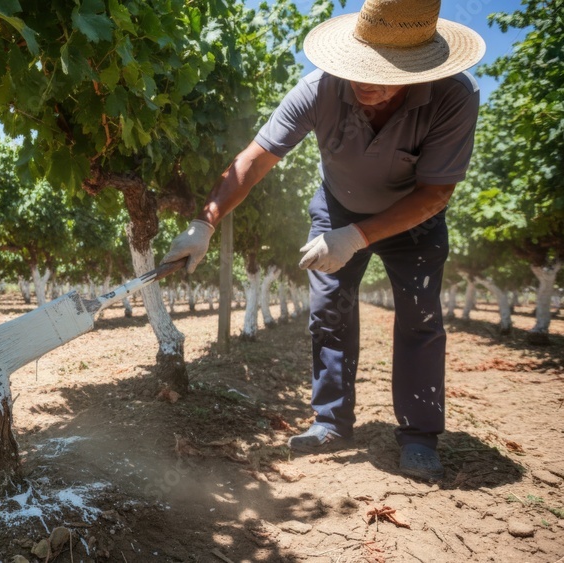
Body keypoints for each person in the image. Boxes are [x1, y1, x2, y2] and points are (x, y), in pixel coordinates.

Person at [162, 0, 485, 481]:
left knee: (419, 317)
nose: (364, 81)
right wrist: (205, 221)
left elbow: (435, 193)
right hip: (337, 206)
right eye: (360, 67)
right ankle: (332, 422)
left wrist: (357, 237)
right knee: (328, 310)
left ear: (416, 71)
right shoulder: (321, 88)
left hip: (411, 218)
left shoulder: (454, 95)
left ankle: (419, 436)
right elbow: (254, 159)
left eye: (383, 72)